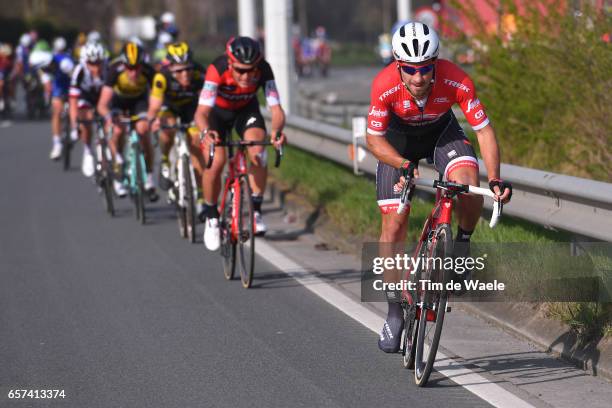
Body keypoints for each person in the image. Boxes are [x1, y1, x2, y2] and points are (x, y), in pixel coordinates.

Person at [365, 22, 513, 353]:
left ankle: (460, 243)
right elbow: (373, 139)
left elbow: (484, 131)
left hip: (441, 132)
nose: (419, 78)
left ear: (436, 64)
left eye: (426, 69)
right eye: (411, 70)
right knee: (393, 225)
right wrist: (402, 165)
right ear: (398, 65)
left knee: (466, 185)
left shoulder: (456, 80)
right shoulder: (384, 85)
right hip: (398, 141)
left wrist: (496, 178)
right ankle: (393, 310)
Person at [195, 36, 286, 251]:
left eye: (251, 70)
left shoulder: (264, 69)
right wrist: (206, 132)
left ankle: (255, 210)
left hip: (246, 110)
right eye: (240, 71)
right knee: (216, 160)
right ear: (229, 63)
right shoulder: (216, 69)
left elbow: (276, 109)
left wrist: (277, 131)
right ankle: (211, 215)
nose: (247, 76)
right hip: (217, 114)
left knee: (258, 150)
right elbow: (202, 112)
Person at [147, 41, 206, 217]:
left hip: (191, 109)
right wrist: (153, 120)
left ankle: (201, 198)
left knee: (197, 145)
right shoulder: (161, 77)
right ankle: (165, 160)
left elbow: (208, 103)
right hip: (169, 108)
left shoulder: (199, 73)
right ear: (170, 68)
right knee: (167, 130)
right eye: (179, 71)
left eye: (187, 68)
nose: (185, 74)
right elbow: (154, 107)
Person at [97, 42, 157, 200]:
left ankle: (149, 176)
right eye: (129, 68)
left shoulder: (149, 71)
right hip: (118, 102)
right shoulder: (114, 71)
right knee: (116, 130)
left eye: (137, 67)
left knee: (143, 130)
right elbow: (102, 104)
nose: (134, 72)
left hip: (139, 102)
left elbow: (157, 97)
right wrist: (109, 117)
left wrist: (154, 116)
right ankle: (118, 161)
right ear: (123, 65)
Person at [69, 42, 107, 177]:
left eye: (99, 63)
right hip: (85, 98)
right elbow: (73, 101)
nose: (96, 68)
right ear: (85, 62)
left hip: (103, 97)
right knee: (87, 117)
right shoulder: (79, 71)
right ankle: (87, 151)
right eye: (92, 64)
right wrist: (75, 125)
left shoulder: (108, 69)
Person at [48, 37, 75, 160]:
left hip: (71, 86)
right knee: (57, 112)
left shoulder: (71, 57)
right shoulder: (52, 58)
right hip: (58, 87)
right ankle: (57, 144)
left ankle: (73, 130)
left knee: (74, 111)